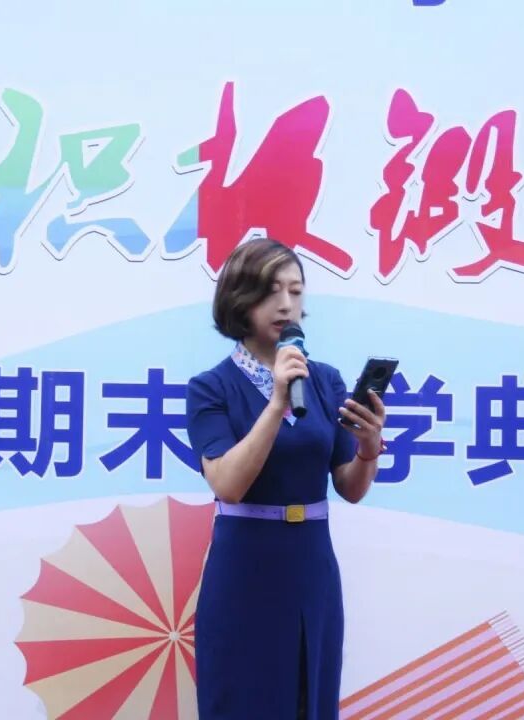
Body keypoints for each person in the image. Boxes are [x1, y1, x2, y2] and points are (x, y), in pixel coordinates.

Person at [185, 237, 387, 719]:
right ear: (239, 300)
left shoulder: (325, 380)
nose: (285, 304)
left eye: (295, 291)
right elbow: (227, 483)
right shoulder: (211, 387)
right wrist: (277, 401)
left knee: (308, 700)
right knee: (243, 702)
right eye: (270, 291)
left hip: (311, 568)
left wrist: (368, 446)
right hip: (244, 570)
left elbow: (350, 487)